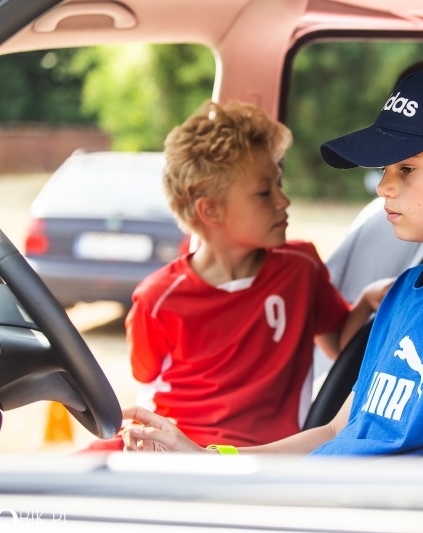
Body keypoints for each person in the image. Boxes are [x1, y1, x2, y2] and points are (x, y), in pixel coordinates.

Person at [121, 60, 423, 458]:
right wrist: (214, 459)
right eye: (385, 170)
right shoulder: (405, 290)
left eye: (406, 169)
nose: (383, 187)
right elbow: (337, 431)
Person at [85, 100, 386, 452]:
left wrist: (366, 301)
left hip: (256, 457)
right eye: (264, 192)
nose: (283, 201)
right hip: (172, 449)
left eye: (279, 185)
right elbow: (147, 380)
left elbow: (336, 345)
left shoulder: (300, 267)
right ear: (210, 210)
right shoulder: (157, 297)